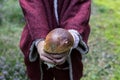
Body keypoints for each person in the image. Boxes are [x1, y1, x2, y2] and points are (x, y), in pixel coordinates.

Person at [19, 0, 91, 80]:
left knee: (67, 72)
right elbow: (32, 6)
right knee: (38, 72)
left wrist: (71, 36)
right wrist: (39, 39)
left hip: (68, 40)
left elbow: (80, 7)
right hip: (35, 33)